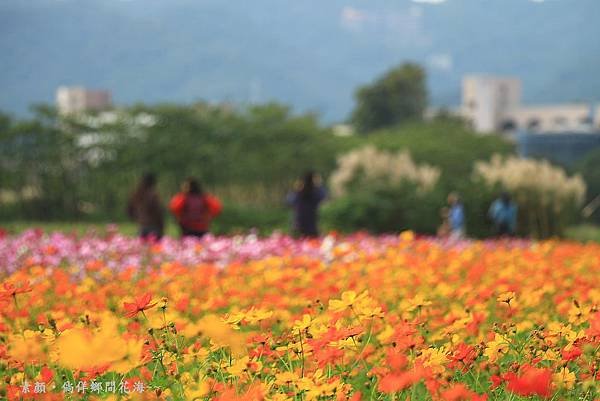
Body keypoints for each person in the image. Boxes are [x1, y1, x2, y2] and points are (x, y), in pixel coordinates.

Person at [287, 171, 326, 238]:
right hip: (310, 225)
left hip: (300, 224)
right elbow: (323, 196)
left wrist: (296, 189)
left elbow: (289, 201)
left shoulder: (299, 193)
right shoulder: (315, 192)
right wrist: (319, 185)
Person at [127, 173, 165, 240]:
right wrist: (161, 227)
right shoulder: (153, 195)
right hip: (154, 227)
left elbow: (129, 210)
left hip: (142, 227)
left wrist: (138, 219)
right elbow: (158, 212)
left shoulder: (136, 194)